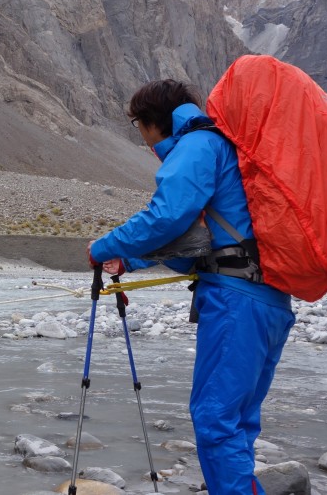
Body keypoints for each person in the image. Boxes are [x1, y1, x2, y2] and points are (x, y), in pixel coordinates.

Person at [87, 79, 295, 495]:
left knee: (215, 420)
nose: (142, 137)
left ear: (150, 123)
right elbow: (202, 242)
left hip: (236, 302)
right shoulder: (223, 145)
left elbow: (167, 216)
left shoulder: (198, 145)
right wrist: (130, 259)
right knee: (237, 422)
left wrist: (102, 247)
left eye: (137, 126)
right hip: (268, 298)